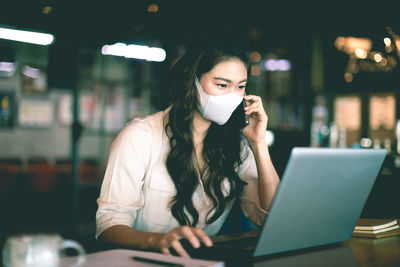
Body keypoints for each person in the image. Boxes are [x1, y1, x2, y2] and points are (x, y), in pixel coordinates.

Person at [95, 30, 280, 258]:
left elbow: (273, 219)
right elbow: (108, 226)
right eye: (222, 85)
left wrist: (258, 143)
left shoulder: (237, 146)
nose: (233, 96)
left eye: (240, 87)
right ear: (191, 81)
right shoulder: (140, 136)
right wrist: (158, 241)